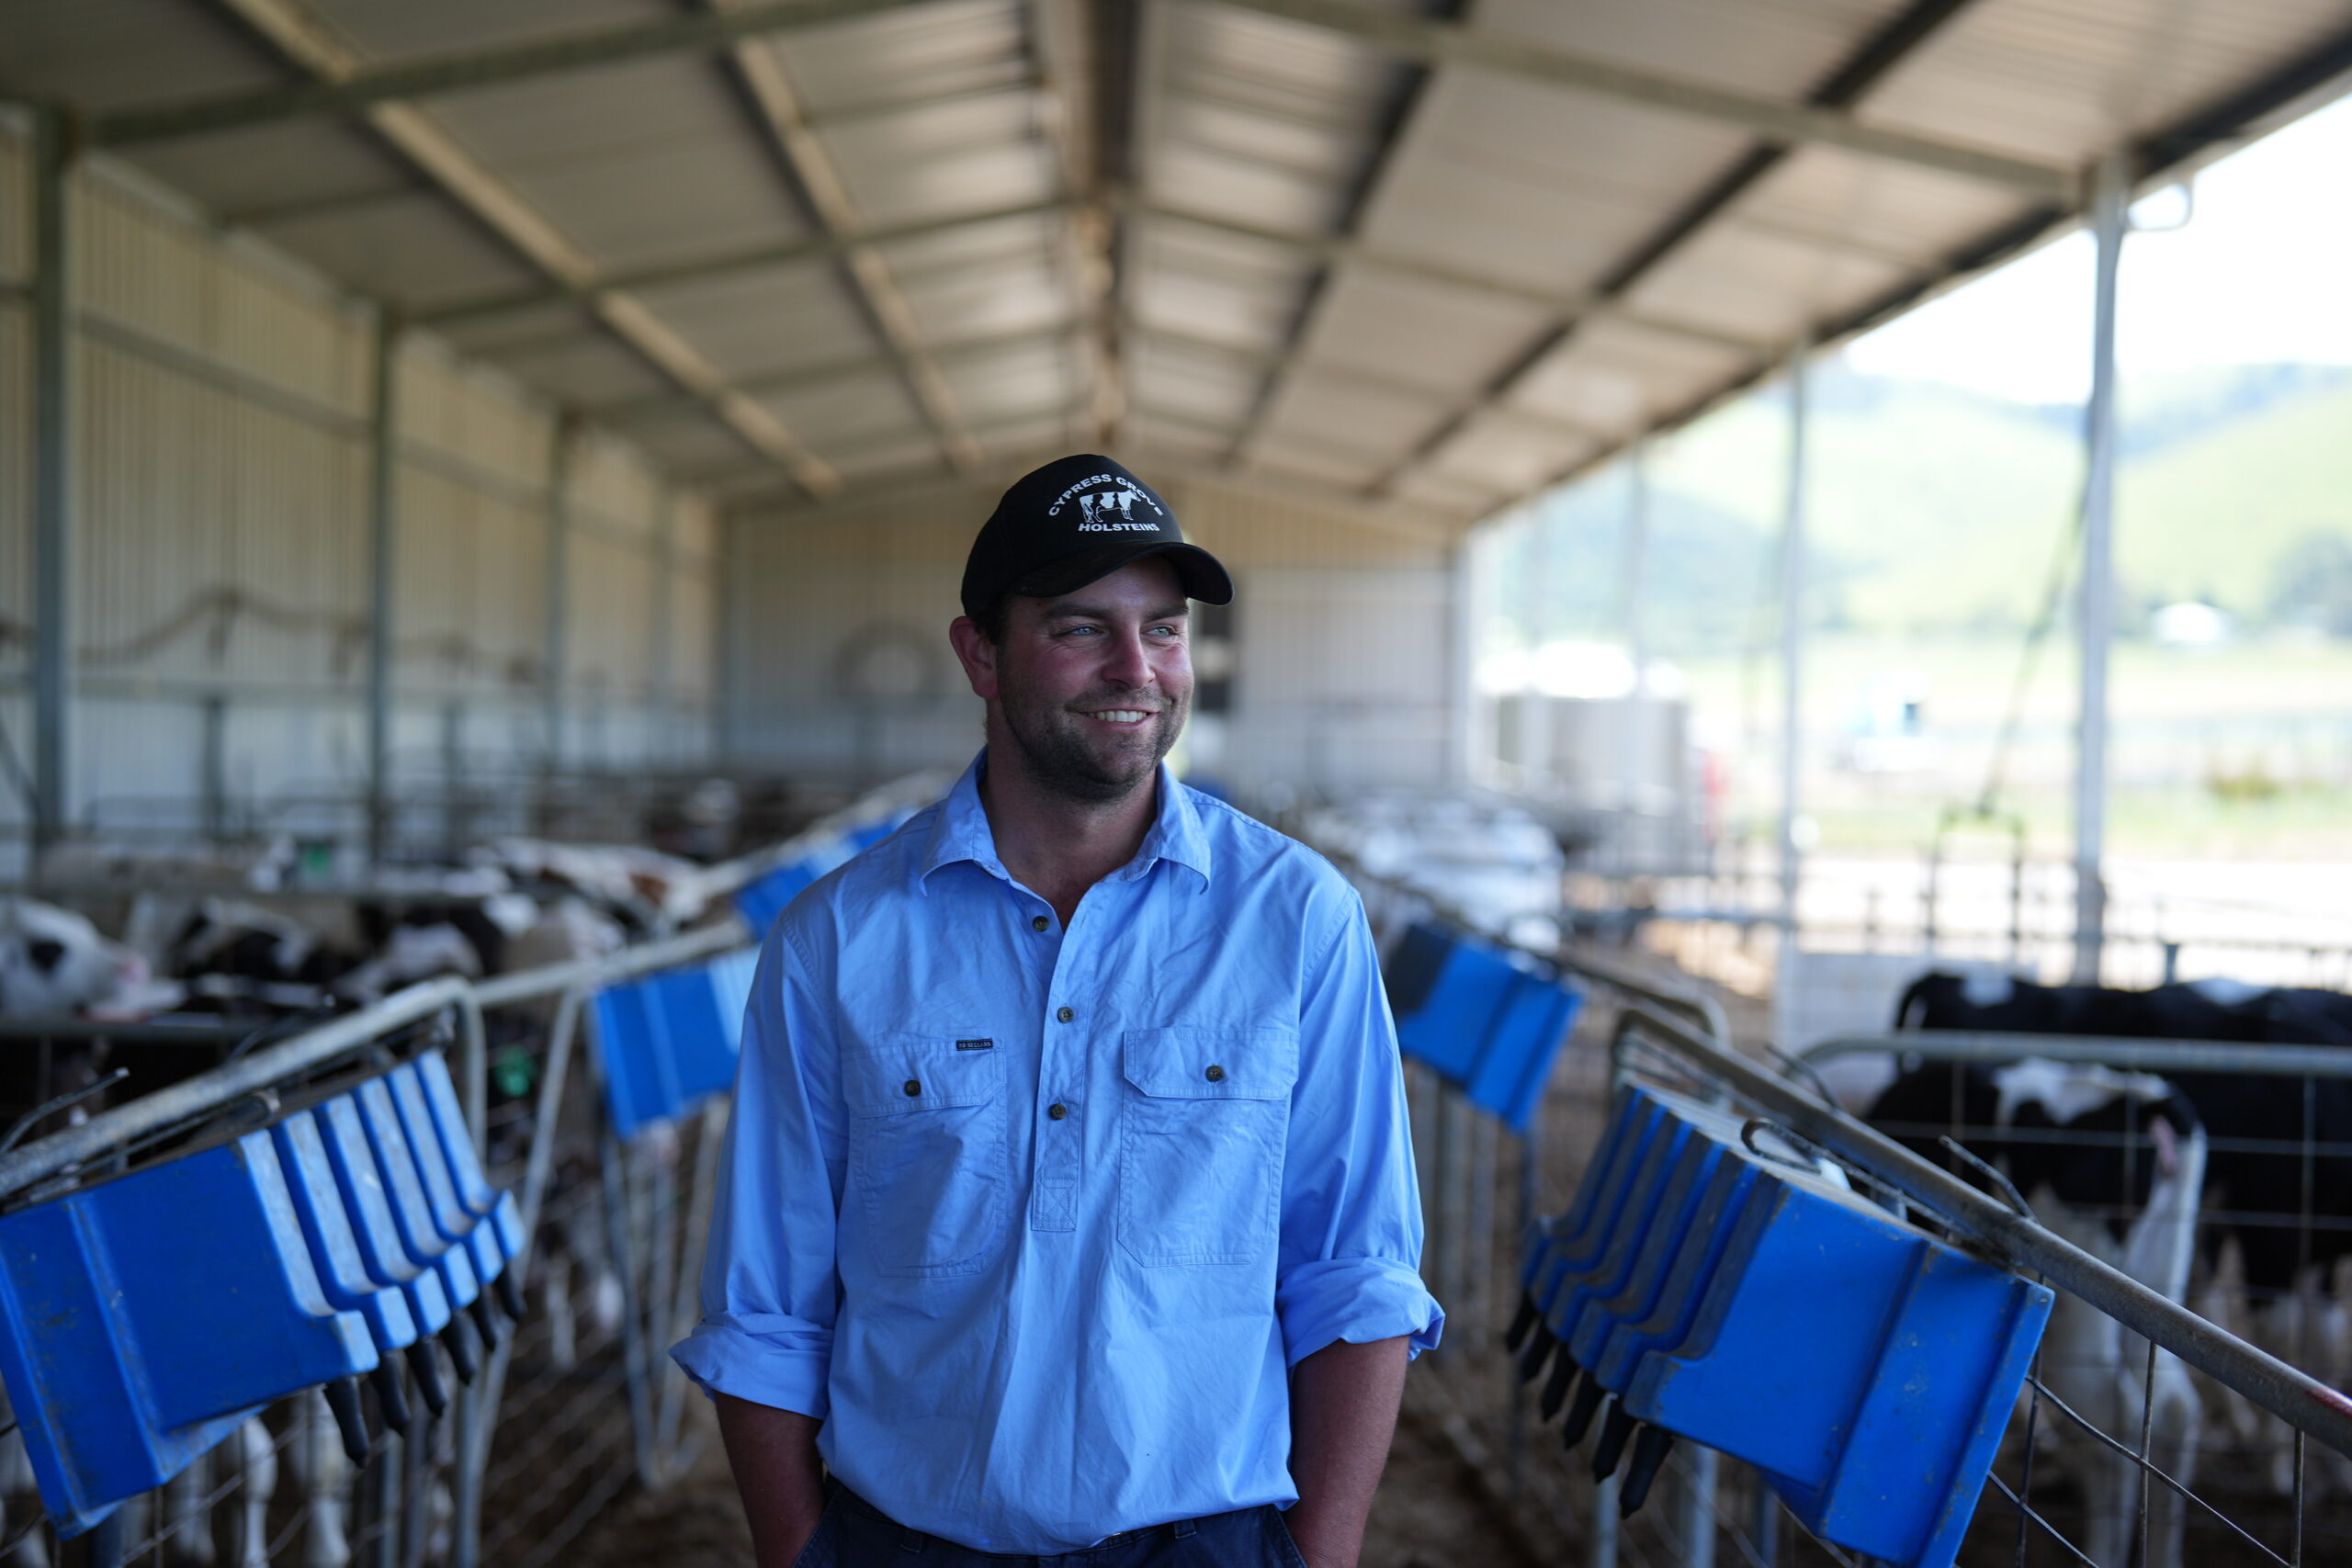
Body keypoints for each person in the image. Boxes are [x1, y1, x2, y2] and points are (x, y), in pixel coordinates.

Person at [673, 455, 1442, 1568]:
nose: (1138, 667)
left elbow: (1357, 1273)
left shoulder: (1295, 920)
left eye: (1164, 629)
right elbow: (766, 1306)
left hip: (1207, 1537)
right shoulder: (837, 941)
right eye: (1082, 628)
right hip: (909, 1542)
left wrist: (1315, 1556)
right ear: (979, 653)